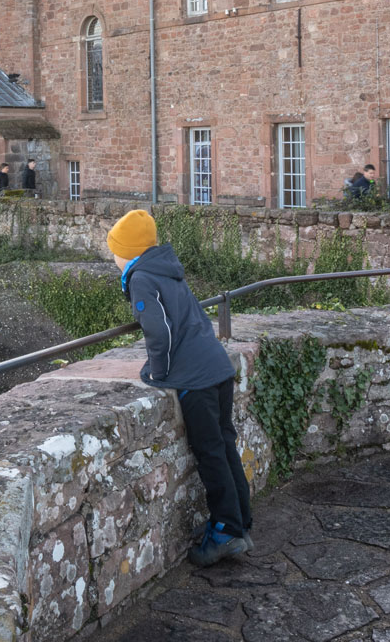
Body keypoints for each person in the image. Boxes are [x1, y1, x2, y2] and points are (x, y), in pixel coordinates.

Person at [107, 209, 252, 567]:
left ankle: (225, 531)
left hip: (195, 378)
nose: (112, 256)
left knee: (210, 453)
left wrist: (158, 373)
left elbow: (158, 330)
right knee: (224, 444)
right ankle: (241, 519)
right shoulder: (165, 268)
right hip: (217, 367)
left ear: (127, 251)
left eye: (114, 249)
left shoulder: (141, 277)